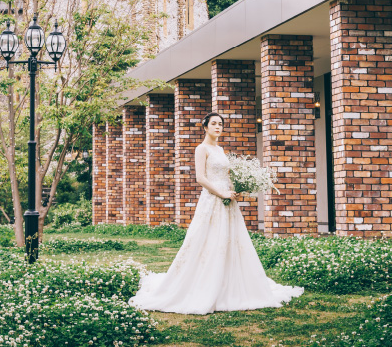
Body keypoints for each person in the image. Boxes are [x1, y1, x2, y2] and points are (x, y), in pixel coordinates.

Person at [128, 111, 304, 314]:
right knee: (207, 238)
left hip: (228, 200)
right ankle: (203, 283)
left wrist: (235, 189)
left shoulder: (220, 149)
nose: (218, 127)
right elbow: (201, 178)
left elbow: (226, 175)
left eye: (220, 124)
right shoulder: (201, 149)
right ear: (205, 127)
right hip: (212, 200)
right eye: (213, 124)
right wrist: (221, 193)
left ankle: (231, 283)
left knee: (230, 239)